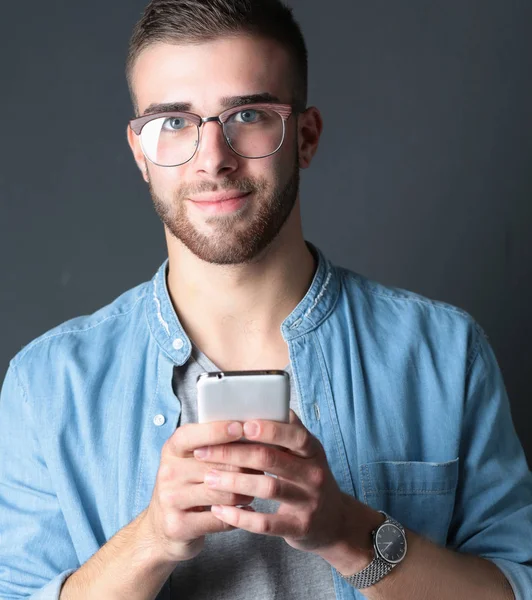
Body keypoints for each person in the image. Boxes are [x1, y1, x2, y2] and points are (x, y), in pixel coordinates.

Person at [0, 0, 531, 598]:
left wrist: (347, 533)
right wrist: (152, 541)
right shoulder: (45, 385)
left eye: (247, 114)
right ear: (139, 152)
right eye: (173, 122)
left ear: (304, 137)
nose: (213, 158)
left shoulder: (444, 355)